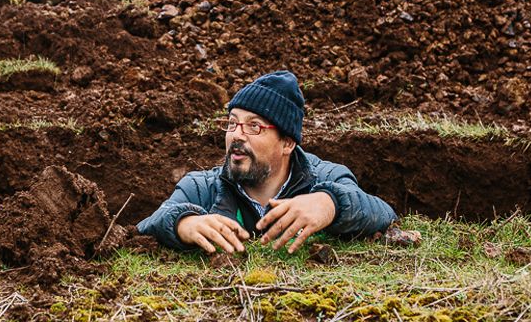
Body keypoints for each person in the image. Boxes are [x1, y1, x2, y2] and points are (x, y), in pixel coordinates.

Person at [138, 71, 396, 254]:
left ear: (287, 143)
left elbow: (383, 214)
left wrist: (331, 203)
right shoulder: (200, 186)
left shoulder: (325, 177)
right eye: (232, 123)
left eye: (254, 126)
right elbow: (148, 226)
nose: (237, 135)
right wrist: (183, 223)